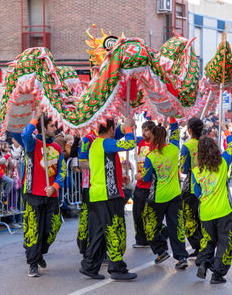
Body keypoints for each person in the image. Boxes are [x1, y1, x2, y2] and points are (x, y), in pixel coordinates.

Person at [80, 117, 137, 281]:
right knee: (115, 230)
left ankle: (89, 265)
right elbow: (130, 144)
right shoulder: (105, 143)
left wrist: (121, 178)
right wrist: (127, 129)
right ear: (111, 129)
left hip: (98, 194)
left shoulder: (95, 144)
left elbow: (106, 169)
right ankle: (117, 267)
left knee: (99, 233)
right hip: (108, 195)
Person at [12, 105, 66, 277]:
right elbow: (25, 134)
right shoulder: (33, 143)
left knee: (53, 227)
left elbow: (62, 171)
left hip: (51, 195)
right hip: (32, 193)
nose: (55, 128)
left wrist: (54, 187)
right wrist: (36, 117)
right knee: (34, 229)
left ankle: (39, 251)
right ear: (44, 127)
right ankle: (33, 262)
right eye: (52, 126)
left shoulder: (57, 148)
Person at [138, 118, 188, 269]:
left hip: (158, 198)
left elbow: (145, 177)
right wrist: (172, 118)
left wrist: (136, 177)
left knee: (150, 225)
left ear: (154, 138)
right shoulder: (174, 149)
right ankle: (181, 258)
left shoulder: (151, 157)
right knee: (176, 226)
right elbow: (175, 131)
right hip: (175, 195)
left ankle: (161, 251)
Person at [192, 130, 232, 284]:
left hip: (205, 213)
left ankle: (203, 263)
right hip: (223, 211)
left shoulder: (196, 171)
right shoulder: (223, 162)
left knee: (208, 241)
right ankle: (217, 274)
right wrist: (226, 131)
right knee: (225, 243)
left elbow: (196, 192)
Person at [179, 117, 204, 258]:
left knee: (188, 217)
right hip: (207, 183)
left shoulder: (187, 146)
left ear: (189, 130)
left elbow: (183, 169)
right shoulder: (208, 143)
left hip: (192, 185)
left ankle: (198, 245)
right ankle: (203, 245)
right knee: (201, 217)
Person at [132, 120, 155, 248]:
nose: (144, 132)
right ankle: (141, 240)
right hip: (140, 185)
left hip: (149, 185)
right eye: (143, 130)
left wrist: (140, 176)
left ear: (152, 131)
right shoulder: (141, 142)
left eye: (146, 130)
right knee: (137, 213)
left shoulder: (156, 146)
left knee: (147, 215)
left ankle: (152, 238)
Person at [76, 130, 98, 255]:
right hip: (89, 185)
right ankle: (86, 248)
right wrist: (100, 166)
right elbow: (82, 163)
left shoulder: (104, 138)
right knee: (89, 218)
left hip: (101, 185)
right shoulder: (87, 139)